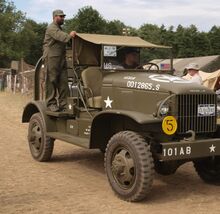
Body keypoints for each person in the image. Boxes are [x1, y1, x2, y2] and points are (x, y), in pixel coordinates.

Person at [43, 9, 76, 112]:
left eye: (63, 16)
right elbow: (62, 37)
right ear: (54, 17)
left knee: (63, 82)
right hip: (51, 57)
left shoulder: (59, 28)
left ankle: (64, 104)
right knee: (52, 80)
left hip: (60, 58)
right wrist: (70, 35)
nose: (62, 18)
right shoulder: (51, 28)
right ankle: (51, 104)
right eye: (60, 16)